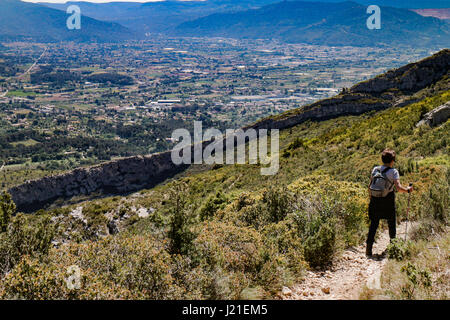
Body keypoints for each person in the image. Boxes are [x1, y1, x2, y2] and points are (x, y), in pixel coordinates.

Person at [366, 149, 413, 257]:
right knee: (391, 223)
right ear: (392, 160)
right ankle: (393, 247)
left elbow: (369, 186)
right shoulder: (393, 171)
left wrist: (372, 199)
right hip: (387, 200)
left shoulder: (375, 169)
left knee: (373, 224)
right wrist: (408, 189)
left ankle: (368, 250)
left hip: (374, 200)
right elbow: (398, 188)